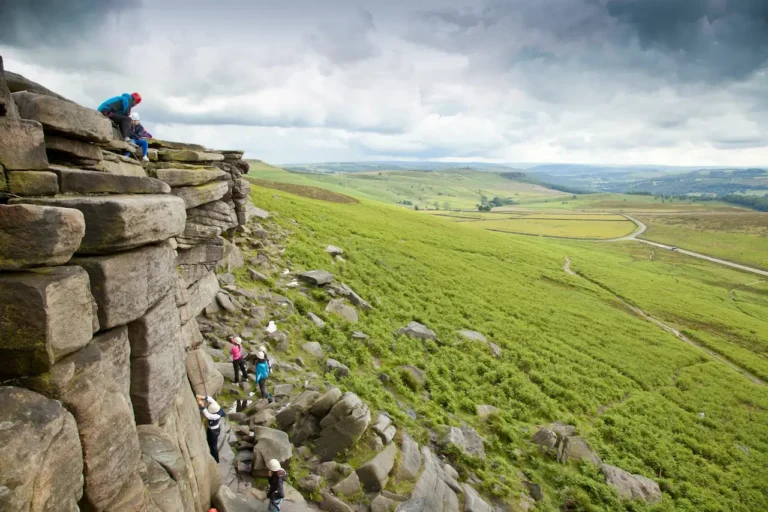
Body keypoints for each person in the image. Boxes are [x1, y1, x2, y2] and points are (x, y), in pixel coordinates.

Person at [196, 394, 225, 463]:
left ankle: (216, 461)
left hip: (214, 431)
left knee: (213, 446)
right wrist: (202, 397)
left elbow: (208, 415)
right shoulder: (216, 406)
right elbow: (210, 399)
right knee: (209, 443)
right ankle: (211, 456)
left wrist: (202, 405)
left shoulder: (216, 416)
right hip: (212, 429)